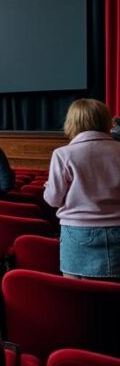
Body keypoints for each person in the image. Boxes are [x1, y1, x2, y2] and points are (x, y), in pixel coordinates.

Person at [44, 99, 120, 280]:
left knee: (79, 298)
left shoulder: (63, 154)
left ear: (72, 122)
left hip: (77, 232)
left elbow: (53, 200)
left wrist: (48, 187)